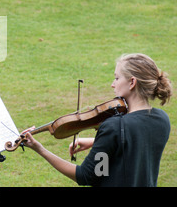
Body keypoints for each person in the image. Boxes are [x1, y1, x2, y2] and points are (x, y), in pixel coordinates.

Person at [22, 53, 172, 186]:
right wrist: (96, 142)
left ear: (132, 82)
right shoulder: (162, 120)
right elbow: (136, 142)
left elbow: (85, 176)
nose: (112, 84)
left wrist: (39, 149)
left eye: (117, 78)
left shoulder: (114, 126)